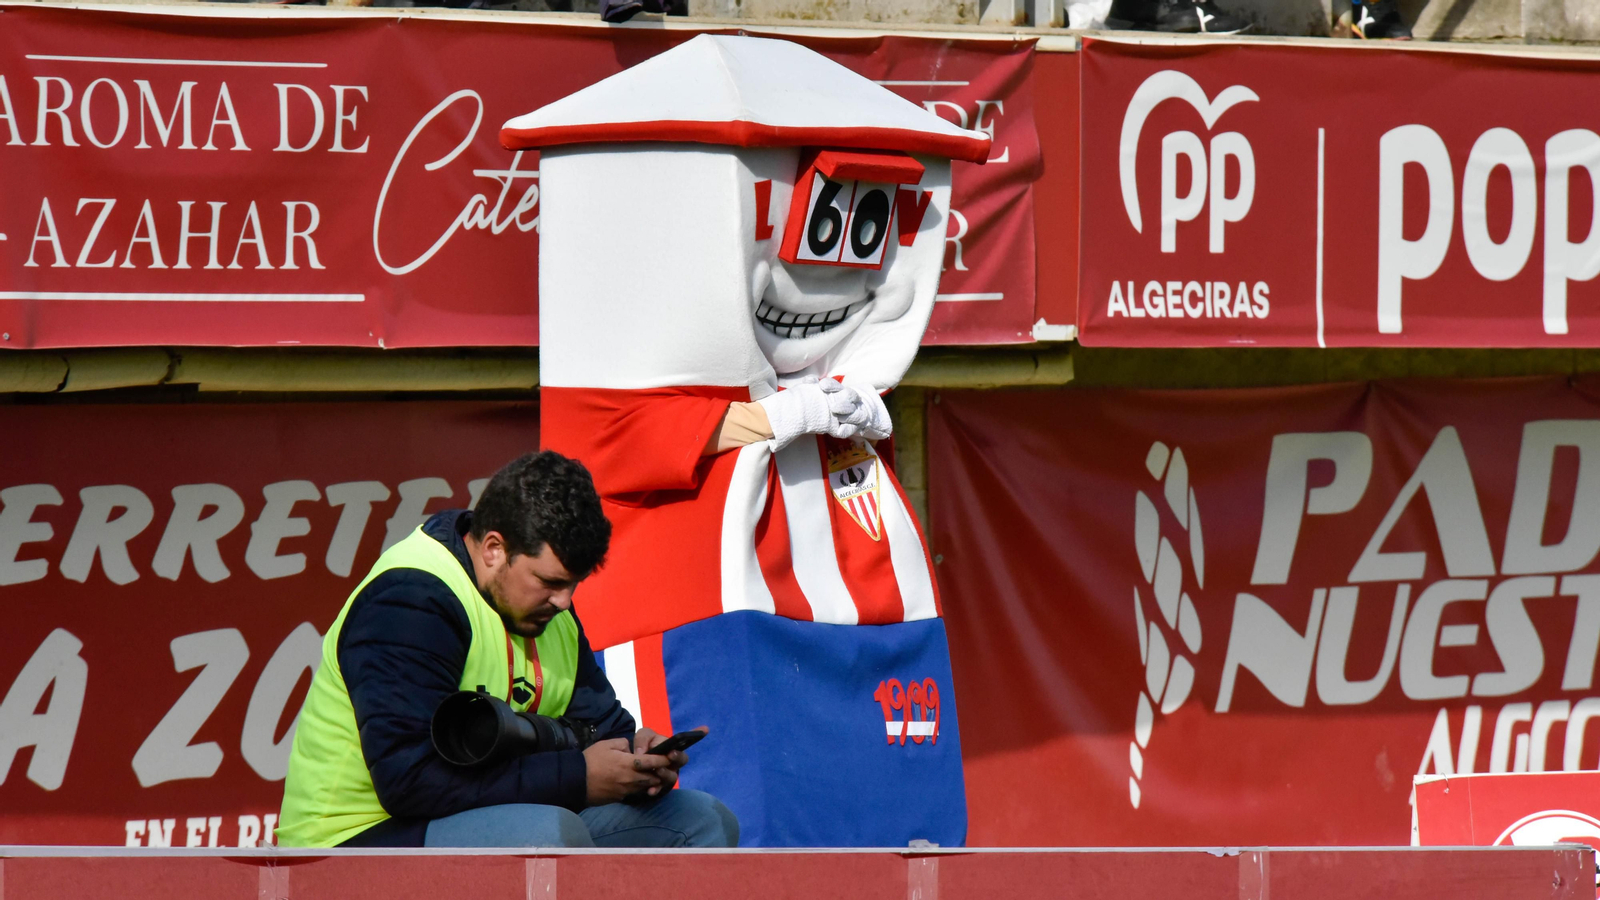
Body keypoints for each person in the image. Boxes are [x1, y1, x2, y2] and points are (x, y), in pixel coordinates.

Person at [275, 450, 739, 849]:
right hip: (351, 845)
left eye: (573, 584)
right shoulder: (410, 600)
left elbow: (602, 728)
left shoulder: (547, 610)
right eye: (550, 581)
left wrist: (636, 762)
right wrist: (579, 777)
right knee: (548, 836)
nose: (564, 602)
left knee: (701, 821)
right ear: (494, 548)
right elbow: (409, 781)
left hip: (489, 817)